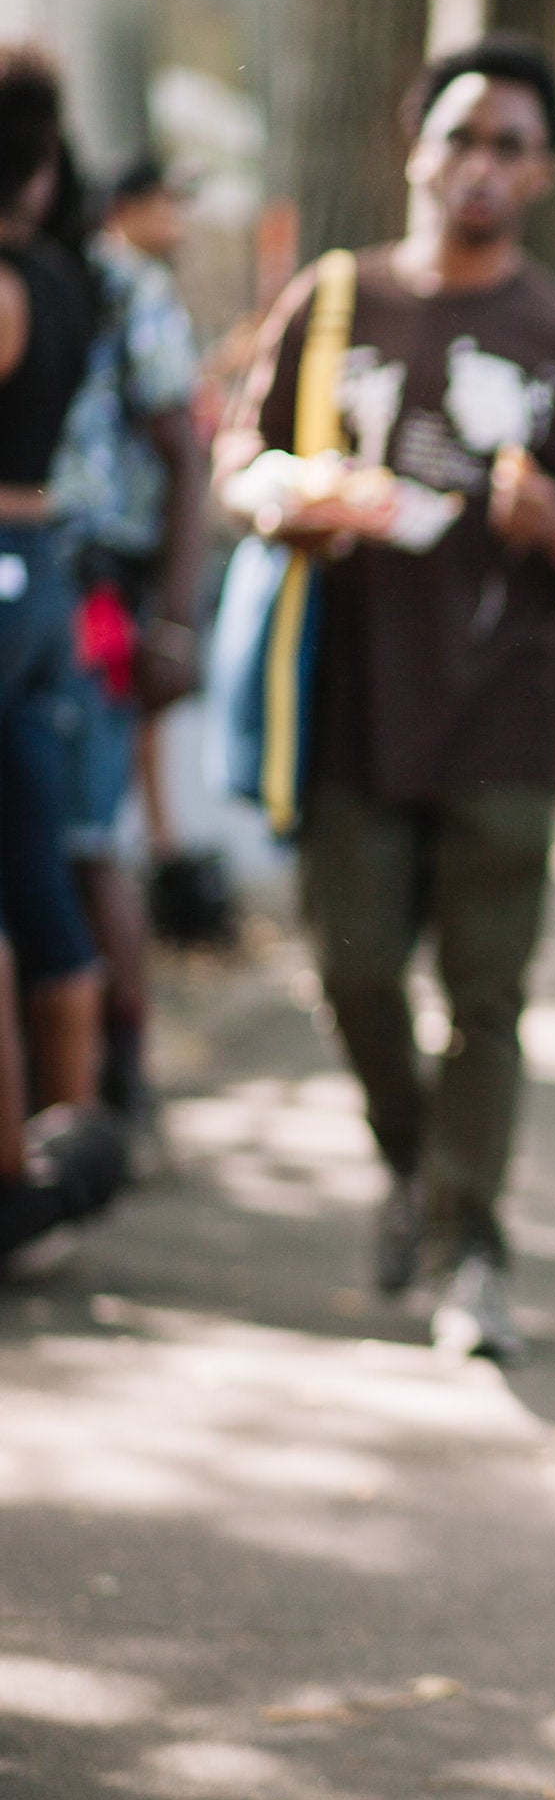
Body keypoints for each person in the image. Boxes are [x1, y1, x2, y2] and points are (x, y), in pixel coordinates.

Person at [216, 35, 555, 1360]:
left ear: (541, 176)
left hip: (501, 720)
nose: (479, 166)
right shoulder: (333, 299)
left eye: (510, 147)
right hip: (345, 708)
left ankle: (469, 1249)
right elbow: (240, 453)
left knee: (486, 1003)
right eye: (461, 136)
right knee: (353, 977)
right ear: (415, 145)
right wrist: (280, 497)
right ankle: (414, 1167)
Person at [44, 154, 208, 1147]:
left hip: (97, 601)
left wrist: (172, 619)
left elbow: (182, 453)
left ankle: (123, 1087)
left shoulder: (118, 288)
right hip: (57, 593)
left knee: (90, 840)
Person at [0, 51, 127, 1251]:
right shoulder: (68, 276)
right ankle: (74, 1130)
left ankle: (13, 1161)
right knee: (38, 851)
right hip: (40, 577)